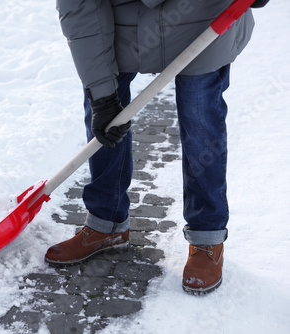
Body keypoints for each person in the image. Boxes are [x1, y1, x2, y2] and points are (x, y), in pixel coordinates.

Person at [45, 0, 269, 294]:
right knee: (105, 116)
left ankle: (206, 238)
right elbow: (80, 9)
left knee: (200, 118)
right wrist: (102, 95)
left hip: (203, 17)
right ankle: (106, 223)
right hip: (123, 27)